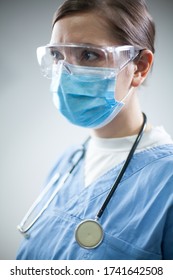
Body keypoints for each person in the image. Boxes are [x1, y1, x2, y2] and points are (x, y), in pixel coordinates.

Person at [16, 0, 173, 260]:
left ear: (140, 67)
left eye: (89, 55)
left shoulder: (166, 182)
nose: (65, 73)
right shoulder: (67, 164)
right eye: (57, 55)